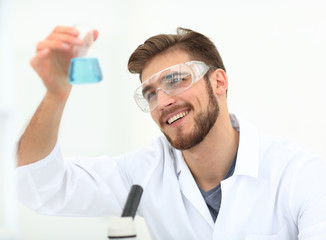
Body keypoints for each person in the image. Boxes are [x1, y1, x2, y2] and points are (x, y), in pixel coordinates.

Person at [16, 26, 326, 240]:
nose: (162, 101)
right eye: (150, 93)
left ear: (218, 83)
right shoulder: (144, 172)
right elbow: (40, 186)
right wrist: (55, 95)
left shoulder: (299, 175)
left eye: (176, 80)